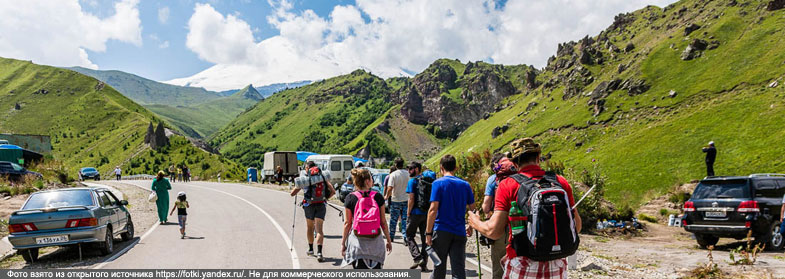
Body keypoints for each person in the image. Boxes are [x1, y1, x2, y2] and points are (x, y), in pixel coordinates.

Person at [468, 138, 582, 279]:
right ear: (538, 158)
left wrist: (475, 222)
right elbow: (576, 226)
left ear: (514, 163)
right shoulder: (560, 181)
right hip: (557, 267)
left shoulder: (508, 184)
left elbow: (494, 231)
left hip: (522, 266)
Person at [425, 155, 475, 279]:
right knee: (458, 269)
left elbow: (433, 210)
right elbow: (473, 209)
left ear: (441, 168)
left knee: (439, 266)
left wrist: (428, 233)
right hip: (459, 231)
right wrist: (471, 225)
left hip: (441, 231)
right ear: (456, 168)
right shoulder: (465, 185)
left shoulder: (438, 183)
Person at [341, 168, 392, 269]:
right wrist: (389, 240)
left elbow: (347, 224)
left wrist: (343, 243)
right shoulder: (378, 197)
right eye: (371, 178)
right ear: (367, 181)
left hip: (357, 244)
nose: (373, 181)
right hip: (375, 244)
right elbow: (383, 222)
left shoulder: (350, 198)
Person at [290, 161, 336, 262]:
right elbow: (333, 191)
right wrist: (325, 198)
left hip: (309, 205)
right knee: (319, 229)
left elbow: (292, 193)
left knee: (310, 227)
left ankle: (311, 249)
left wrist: (297, 188)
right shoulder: (322, 178)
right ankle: (319, 253)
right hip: (321, 204)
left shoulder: (306, 179)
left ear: (307, 168)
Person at [405, 162, 434, 271]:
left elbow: (411, 199)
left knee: (409, 235)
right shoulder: (428, 181)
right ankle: (424, 264)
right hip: (426, 214)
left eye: (411, 169)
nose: (409, 171)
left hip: (415, 213)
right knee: (425, 239)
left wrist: (408, 212)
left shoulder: (412, 181)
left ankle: (417, 257)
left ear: (417, 169)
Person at [482, 153, 506, 279]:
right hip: (521, 226)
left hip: (500, 226)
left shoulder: (493, 179)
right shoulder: (520, 176)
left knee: (499, 268)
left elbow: (486, 207)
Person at [385, 158, 409, 240]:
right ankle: (405, 236)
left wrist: (386, 196)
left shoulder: (393, 175)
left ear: (395, 164)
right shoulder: (408, 174)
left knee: (393, 219)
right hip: (406, 199)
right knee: (404, 219)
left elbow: (390, 188)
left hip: (395, 200)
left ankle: (391, 236)